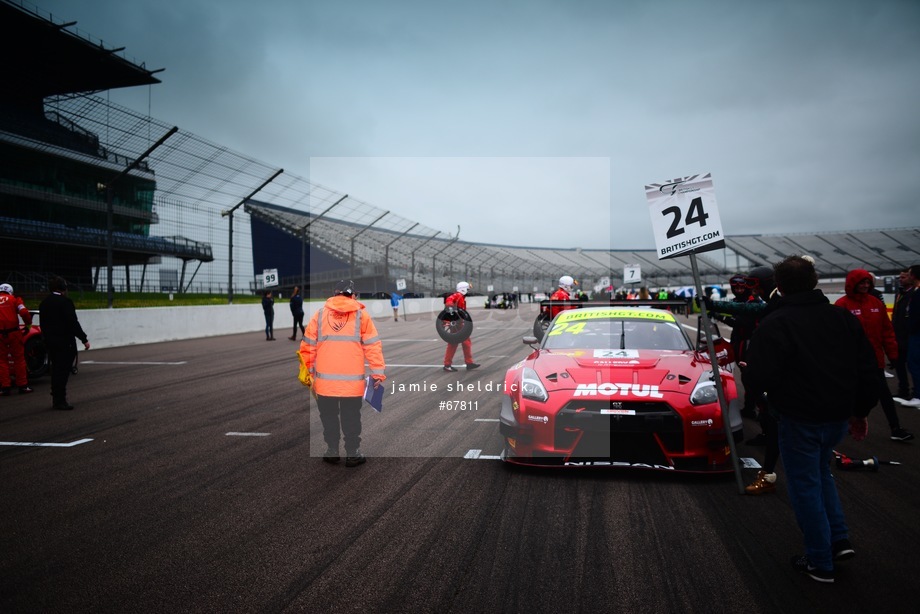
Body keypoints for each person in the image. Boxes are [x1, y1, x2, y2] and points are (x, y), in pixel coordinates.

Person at [743, 256, 878, 583]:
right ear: (815, 281)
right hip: (836, 417)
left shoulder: (776, 322)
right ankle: (838, 540)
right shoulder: (843, 317)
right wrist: (860, 412)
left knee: (805, 486)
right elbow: (868, 370)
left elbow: (758, 377)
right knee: (821, 473)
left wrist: (762, 394)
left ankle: (819, 561)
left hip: (799, 418)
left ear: (780, 286)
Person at [299, 279, 386, 467]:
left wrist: (307, 374)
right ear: (352, 295)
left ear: (335, 293)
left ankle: (332, 450)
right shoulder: (362, 316)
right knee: (351, 417)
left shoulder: (319, 315)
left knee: (328, 417)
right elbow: (373, 347)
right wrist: (378, 374)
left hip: (324, 383)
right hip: (352, 383)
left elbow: (307, 347)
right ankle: (353, 453)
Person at [835, 269, 913, 441]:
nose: (865, 286)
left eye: (868, 283)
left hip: (875, 361)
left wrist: (893, 354)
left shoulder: (876, 303)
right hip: (851, 362)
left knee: (882, 394)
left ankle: (895, 428)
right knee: (849, 394)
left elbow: (887, 331)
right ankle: (848, 422)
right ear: (853, 284)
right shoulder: (842, 305)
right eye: (861, 282)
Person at [38, 276, 90, 410]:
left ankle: (56, 395)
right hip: (64, 342)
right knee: (63, 370)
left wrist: (46, 339)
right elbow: (72, 323)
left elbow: (42, 324)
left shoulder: (43, 303)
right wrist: (83, 339)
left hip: (50, 342)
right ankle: (60, 399)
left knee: (56, 369)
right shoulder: (65, 302)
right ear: (62, 288)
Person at [0, 283, 34, 395]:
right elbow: (24, 312)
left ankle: (5, 387)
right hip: (14, 333)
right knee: (19, 359)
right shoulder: (15, 299)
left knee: (2, 361)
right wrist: (28, 324)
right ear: (10, 291)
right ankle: (23, 386)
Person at [443, 281, 480, 372]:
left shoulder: (462, 297)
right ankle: (448, 365)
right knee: (453, 343)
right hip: (455, 323)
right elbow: (449, 300)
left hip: (460, 323)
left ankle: (468, 363)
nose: (468, 290)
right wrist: (451, 307)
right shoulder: (458, 295)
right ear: (463, 289)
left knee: (465, 342)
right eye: (467, 289)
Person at [892, 268, 915, 400]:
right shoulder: (899, 294)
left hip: (910, 335)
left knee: (913, 365)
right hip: (898, 336)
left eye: (904, 277)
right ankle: (903, 389)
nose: (900, 279)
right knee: (899, 365)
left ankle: (916, 390)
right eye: (899, 277)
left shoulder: (914, 294)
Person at [903, 264, 920, 407]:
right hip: (914, 332)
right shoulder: (914, 292)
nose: (907, 277)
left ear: (913, 276)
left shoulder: (917, 293)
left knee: (914, 363)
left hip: (916, 333)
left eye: (909, 274)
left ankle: (918, 395)